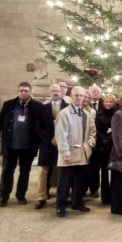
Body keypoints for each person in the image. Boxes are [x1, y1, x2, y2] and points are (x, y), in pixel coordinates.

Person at [0, 82, 42, 207]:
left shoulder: (37, 106)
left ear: (30, 92)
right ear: (18, 92)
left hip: (28, 146)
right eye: (21, 91)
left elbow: (39, 126)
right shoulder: (9, 104)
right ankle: (4, 196)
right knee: (7, 171)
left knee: (25, 172)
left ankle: (21, 195)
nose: (23, 93)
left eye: (25, 91)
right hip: (11, 145)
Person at [55, 86, 96, 218]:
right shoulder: (64, 113)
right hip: (69, 154)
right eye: (76, 95)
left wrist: (89, 145)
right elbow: (61, 135)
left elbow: (92, 132)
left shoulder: (86, 114)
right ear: (71, 96)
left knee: (79, 182)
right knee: (64, 183)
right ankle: (60, 206)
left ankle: (77, 203)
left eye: (81, 96)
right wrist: (65, 153)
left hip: (82, 154)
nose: (79, 98)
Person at [34, 84, 68, 209]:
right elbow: (38, 126)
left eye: (57, 91)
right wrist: (50, 139)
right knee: (43, 172)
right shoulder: (43, 108)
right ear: (49, 92)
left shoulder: (68, 107)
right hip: (47, 145)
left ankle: (60, 197)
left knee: (61, 172)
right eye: (53, 91)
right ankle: (41, 197)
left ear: (61, 92)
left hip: (62, 144)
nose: (55, 93)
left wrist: (60, 138)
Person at [95, 94, 118, 205]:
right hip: (102, 147)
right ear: (103, 103)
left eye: (110, 102)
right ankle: (105, 196)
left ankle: (113, 194)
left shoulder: (117, 114)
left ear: (113, 103)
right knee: (104, 173)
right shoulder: (99, 114)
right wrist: (103, 140)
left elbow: (116, 129)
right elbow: (96, 129)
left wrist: (109, 139)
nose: (108, 103)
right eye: (106, 101)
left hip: (113, 146)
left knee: (114, 172)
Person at [82, 89, 98, 197]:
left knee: (92, 168)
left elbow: (93, 128)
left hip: (90, 142)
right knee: (81, 169)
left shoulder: (92, 111)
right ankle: (81, 190)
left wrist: (91, 143)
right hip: (78, 143)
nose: (86, 99)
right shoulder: (75, 109)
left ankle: (94, 189)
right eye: (85, 97)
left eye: (88, 98)